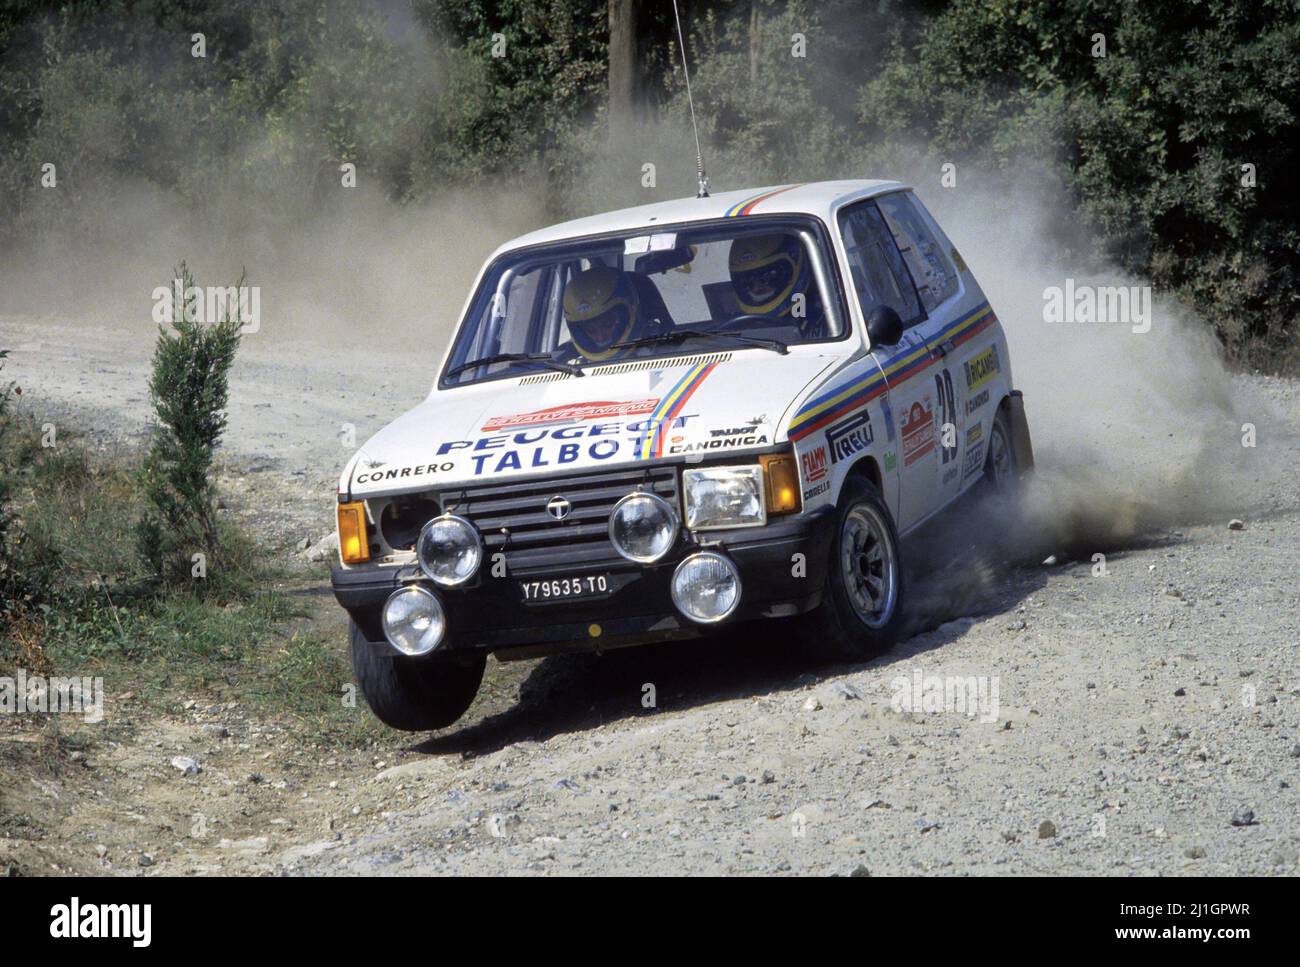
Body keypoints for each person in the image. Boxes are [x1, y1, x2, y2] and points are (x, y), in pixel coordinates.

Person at [728, 232, 825, 336]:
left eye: (767, 276)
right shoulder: (735, 326)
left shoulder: (826, 317)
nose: (757, 287)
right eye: (748, 280)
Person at [563, 265, 664, 362]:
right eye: (591, 330)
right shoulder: (567, 367)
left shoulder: (665, 348)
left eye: (607, 324)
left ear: (626, 315)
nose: (601, 337)